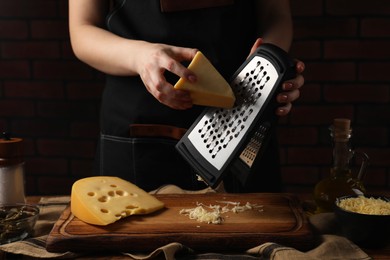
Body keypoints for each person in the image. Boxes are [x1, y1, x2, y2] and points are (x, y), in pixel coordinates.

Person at [68, 0, 305, 192]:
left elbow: (276, 15)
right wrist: (140, 57)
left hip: (242, 115)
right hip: (139, 126)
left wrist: (270, 67)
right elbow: (82, 29)